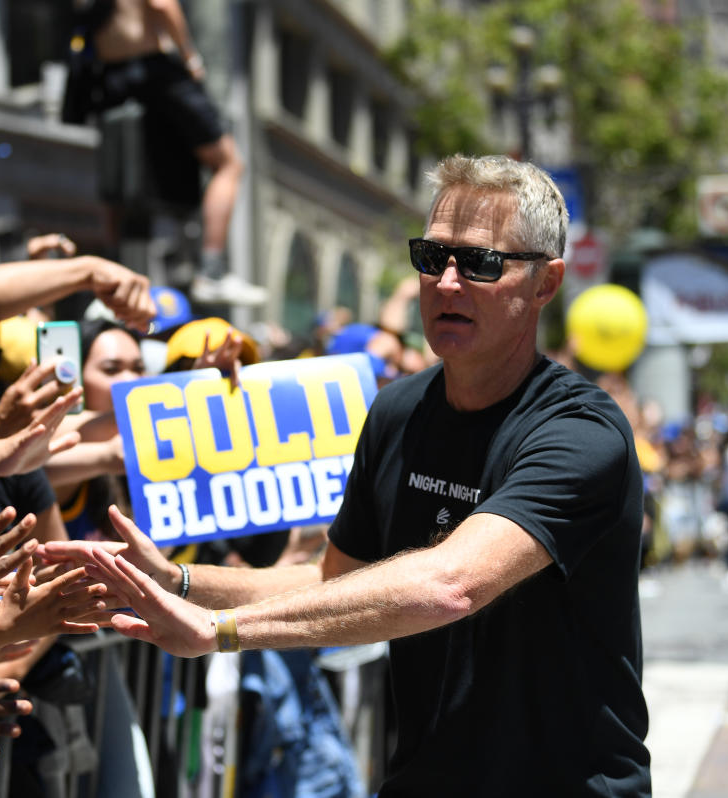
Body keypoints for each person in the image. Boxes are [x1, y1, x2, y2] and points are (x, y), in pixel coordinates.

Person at [47, 154, 651, 796]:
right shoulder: (397, 410)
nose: (446, 283)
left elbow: (451, 585)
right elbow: (333, 579)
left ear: (545, 283)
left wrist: (221, 633)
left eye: (478, 263)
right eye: (431, 257)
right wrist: (184, 581)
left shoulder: (581, 431)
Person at [82, 0, 265, 306]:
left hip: (109, 77)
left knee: (123, 182)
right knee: (229, 163)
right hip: (153, 69)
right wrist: (189, 56)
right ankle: (212, 272)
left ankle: (111, 275)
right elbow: (162, 4)